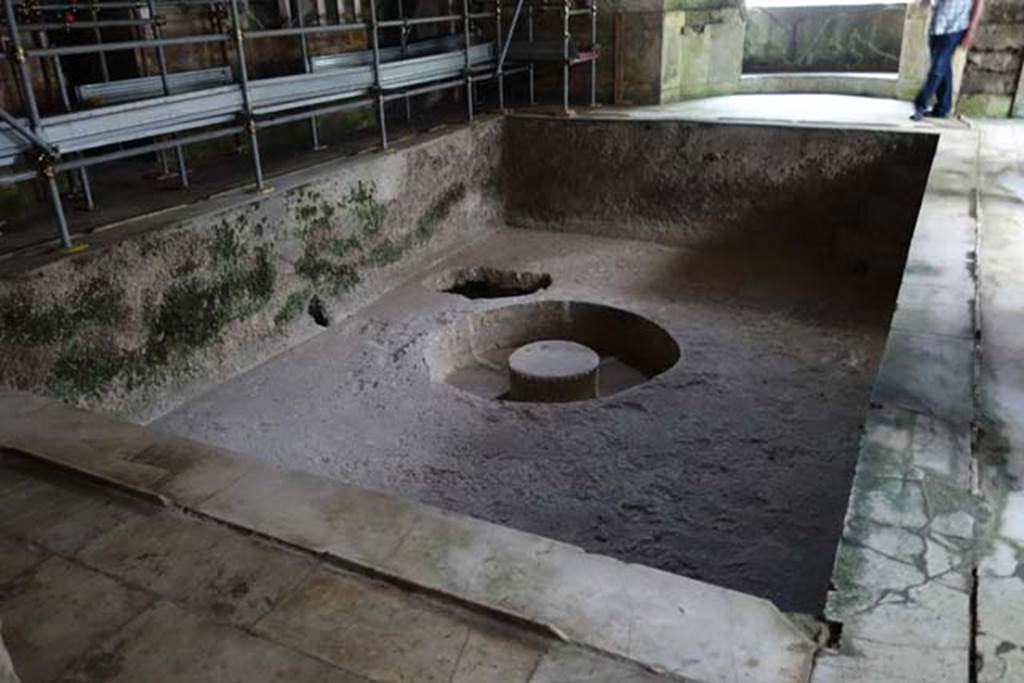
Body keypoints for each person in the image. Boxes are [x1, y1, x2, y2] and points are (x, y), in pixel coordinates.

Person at [911, 0, 988, 121]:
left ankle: (920, 103)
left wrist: (971, 30)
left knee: (937, 69)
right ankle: (943, 108)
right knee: (943, 68)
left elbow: (980, 2)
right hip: (936, 24)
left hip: (956, 26)